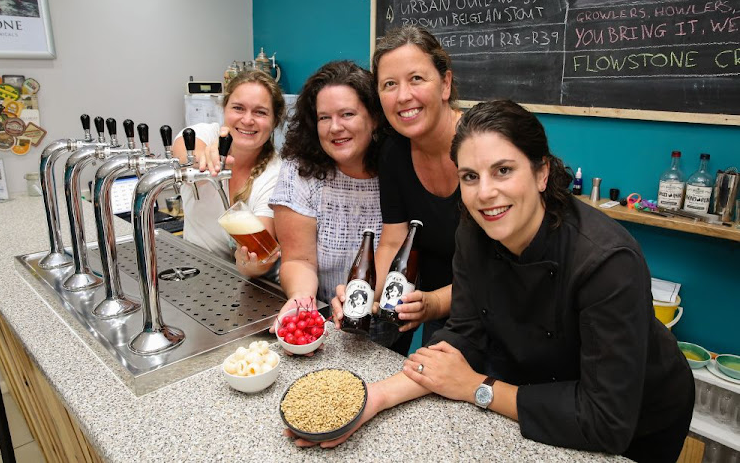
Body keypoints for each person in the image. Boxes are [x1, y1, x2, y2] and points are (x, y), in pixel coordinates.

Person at [292, 100, 694, 463]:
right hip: (541, 395)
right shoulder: (474, 232)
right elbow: (464, 333)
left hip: (637, 419)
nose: (486, 193)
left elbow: (605, 420)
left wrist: (477, 388)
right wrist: (374, 399)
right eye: (469, 176)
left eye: (503, 170)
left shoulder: (607, 261)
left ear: (541, 172)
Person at [331, 25, 462, 354]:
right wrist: (362, 294)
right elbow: (392, 239)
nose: (403, 96)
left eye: (416, 79)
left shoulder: (481, 143)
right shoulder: (394, 151)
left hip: (507, 306)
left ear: (445, 84)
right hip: (441, 308)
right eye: (390, 84)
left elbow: (502, 271)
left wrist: (432, 303)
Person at [267, 61, 385, 327]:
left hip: (384, 319)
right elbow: (298, 259)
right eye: (324, 117)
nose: (334, 127)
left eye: (347, 114)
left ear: (374, 119)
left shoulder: (397, 171)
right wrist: (301, 300)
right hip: (322, 319)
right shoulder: (299, 172)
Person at [172, 70, 284, 279]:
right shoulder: (202, 134)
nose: (247, 120)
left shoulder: (276, 173)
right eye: (238, 108)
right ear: (224, 109)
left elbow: (260, 254)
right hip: (190, 267)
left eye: (260, 112)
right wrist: (206, 158)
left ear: (275, 120)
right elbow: (184, 155)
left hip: (240, 282)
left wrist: (251, 263)